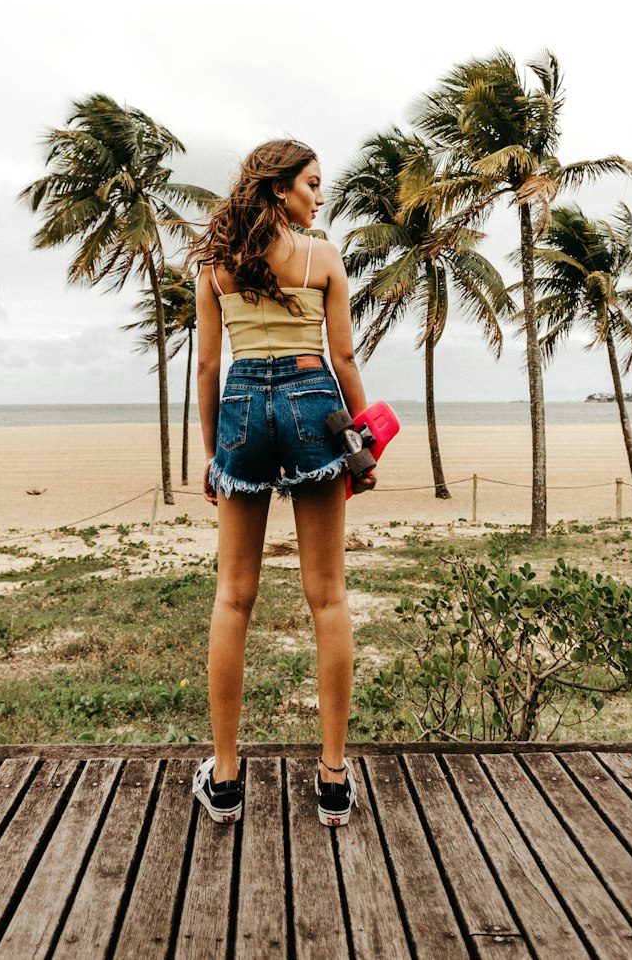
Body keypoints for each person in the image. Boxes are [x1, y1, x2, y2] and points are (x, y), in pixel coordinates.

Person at [187, 139, 375, 828]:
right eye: (312, 184)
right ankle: (331, 779)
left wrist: (216, 454)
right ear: (278, 190)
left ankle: (229, 779)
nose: (320, 197)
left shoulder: (215, 265)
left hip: (240, 406)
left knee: (234, 597)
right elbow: (345, 355)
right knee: (327, 596)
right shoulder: (322, 257)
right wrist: (360, 437)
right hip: (311, 399)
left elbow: (207, 369)